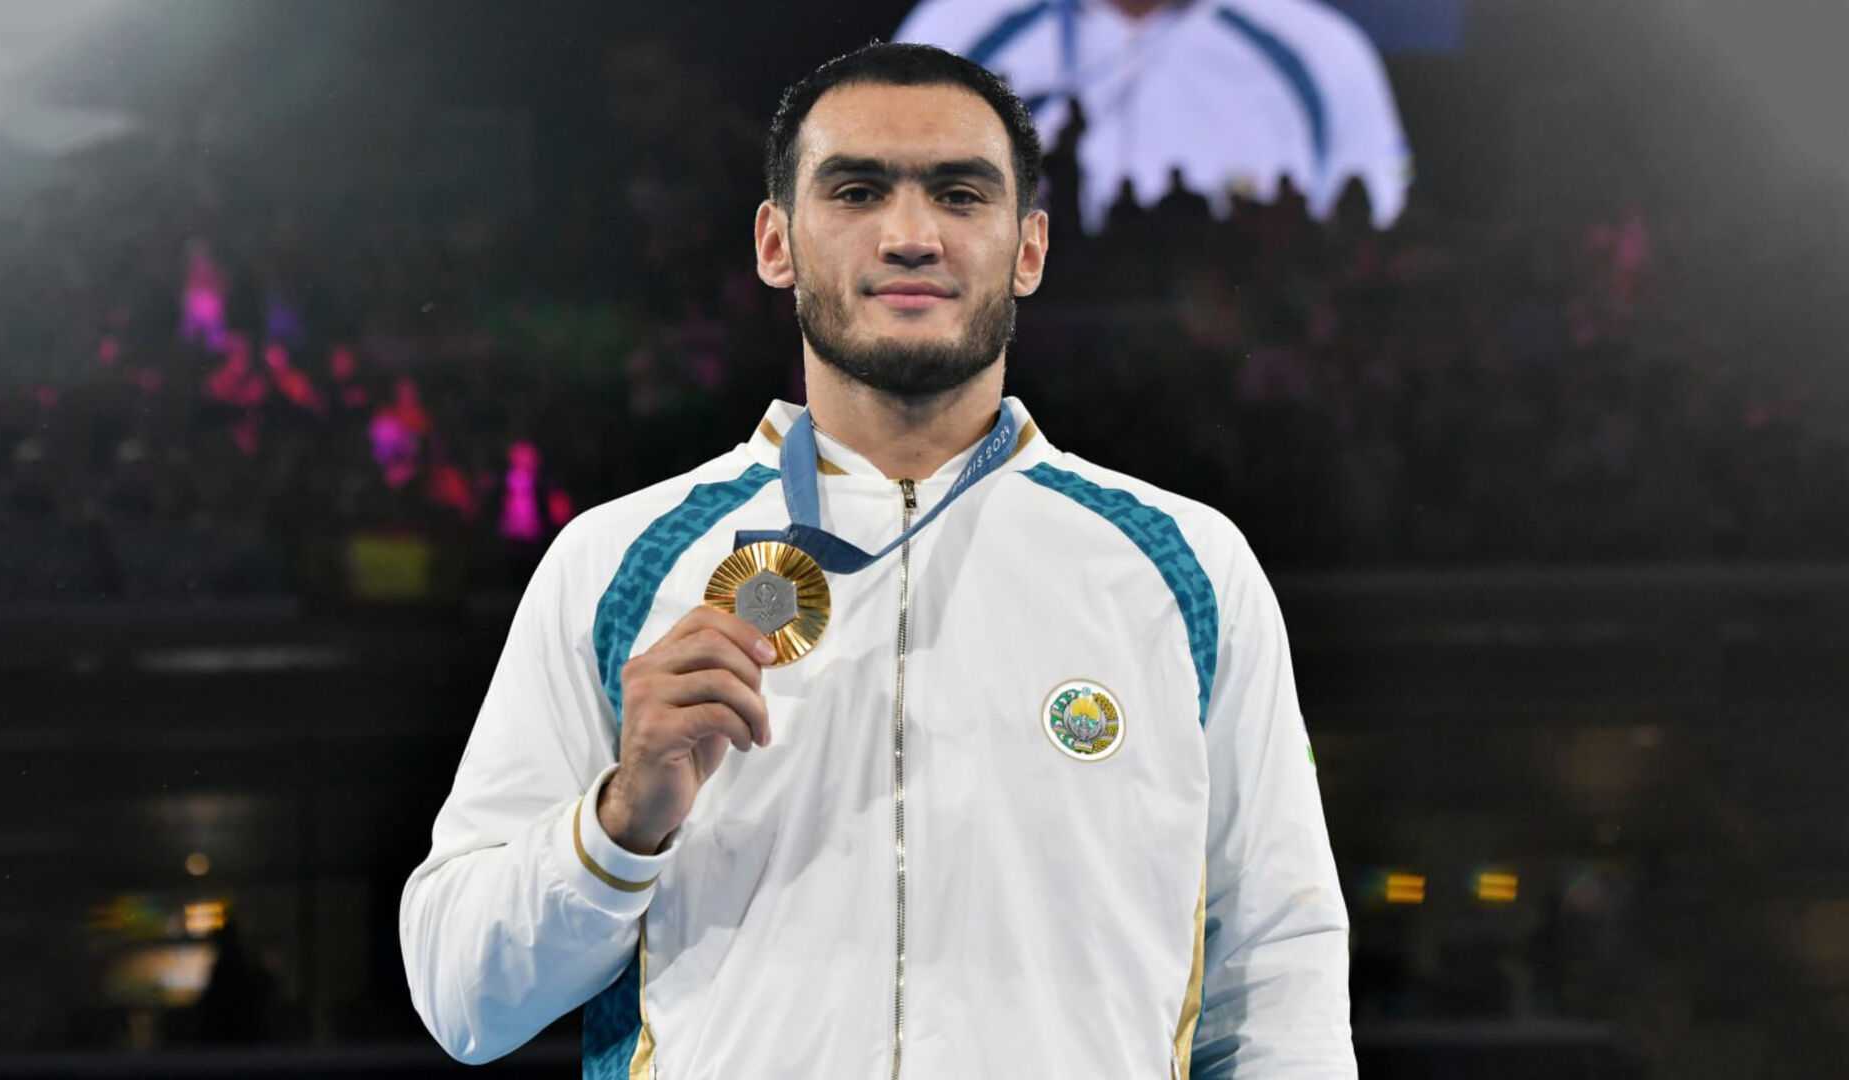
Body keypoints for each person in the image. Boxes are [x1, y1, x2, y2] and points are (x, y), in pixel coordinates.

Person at [400, 41, 1355, 1079]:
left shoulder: (1187, 570)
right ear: (777, 242)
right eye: (856, 191)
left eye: (960, 194)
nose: (910, 236)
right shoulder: (618, 564)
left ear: (1029, 249)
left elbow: (1280, 980)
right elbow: (461, 998)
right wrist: (618, 824)